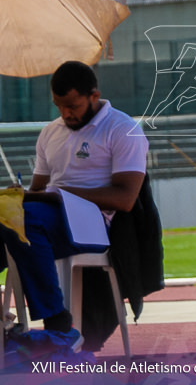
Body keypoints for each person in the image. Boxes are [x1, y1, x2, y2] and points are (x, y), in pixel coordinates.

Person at [0, 61, 148, 349]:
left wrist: (63, 194)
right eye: (58, 106)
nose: (65, 113)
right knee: (8, 215)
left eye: (73, 105)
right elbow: (40, 189)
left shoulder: (122, 130)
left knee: (28, 220)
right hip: (49, 217)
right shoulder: (50, 133)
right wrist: (22, 194)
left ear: (94, 95)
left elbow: (126, 199)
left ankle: (59, 325)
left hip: (92, 225)